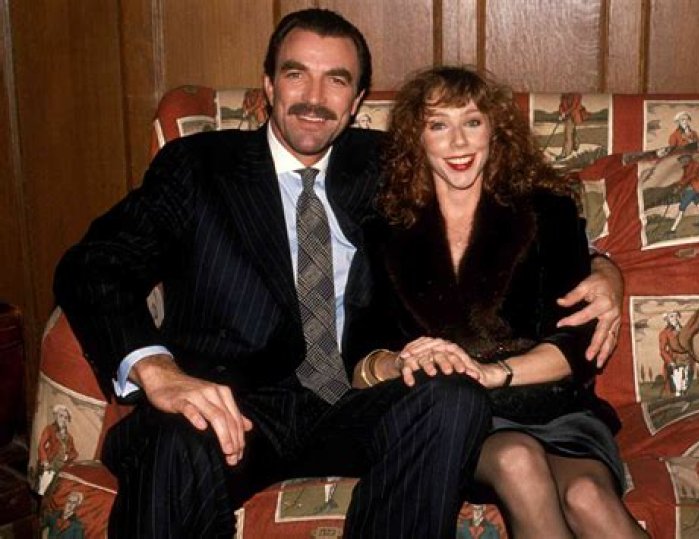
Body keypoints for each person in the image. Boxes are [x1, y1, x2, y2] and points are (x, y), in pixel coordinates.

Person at [54, 9, 494, 538]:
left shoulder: (387, 165)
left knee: (453, 399)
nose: (314, 98)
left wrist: (587, 268)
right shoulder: (198, 166)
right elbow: (94, 265)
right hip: (231, 409)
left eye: (336, 80)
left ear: (356, 102)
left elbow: (506, 205)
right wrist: (158, 371)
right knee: (174, 442)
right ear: (268, 86)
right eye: (296, 74)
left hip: (356, 401)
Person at [354, 67, 647, 538]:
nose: (458, 142)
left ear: (495, 130)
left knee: (587, 497)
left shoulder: (547, 210)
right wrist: (400, 363)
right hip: (459, 417)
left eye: (472, 122)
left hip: (554, 404)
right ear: (416, 138)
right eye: (438, 125)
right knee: (517, 460)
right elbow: (360, 355)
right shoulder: (383, 228)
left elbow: (579, 342)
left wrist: (498, 373)